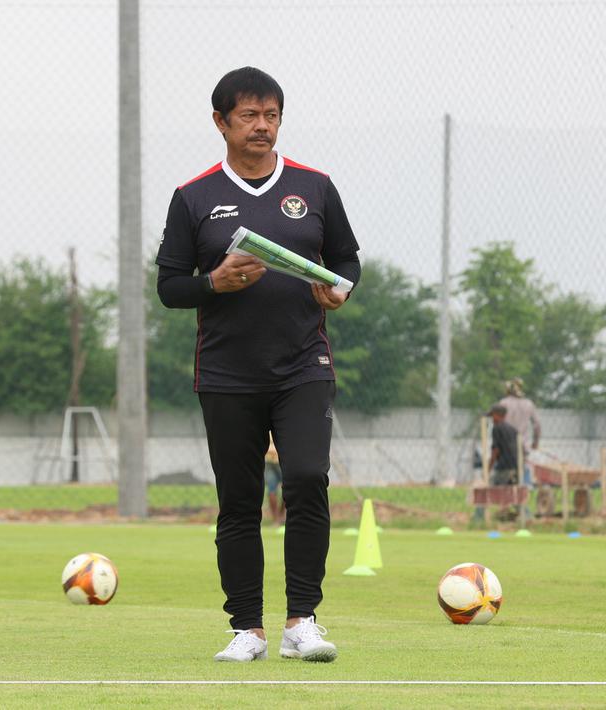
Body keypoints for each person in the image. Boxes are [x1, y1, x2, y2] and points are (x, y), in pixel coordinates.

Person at [155, 67, 361, 663]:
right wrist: (214, 282)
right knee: (239, 501)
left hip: (304, 364)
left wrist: (341, 289)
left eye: (271, 115)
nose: (261, 127)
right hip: (226, 373)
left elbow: (347, 259)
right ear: (221, 122)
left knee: (304, 479)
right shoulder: (193, 196)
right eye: (248, 116)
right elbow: (170, 287)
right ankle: (248, 628)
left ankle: (303, 622)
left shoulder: (314, 186)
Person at [472, 405, 521, 522]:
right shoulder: (512, 429)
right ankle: (526, 516)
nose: (491, 419)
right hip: (515, 466)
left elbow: (496, 450)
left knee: (485, 490)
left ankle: (477, 519)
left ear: (498, 415)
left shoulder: (497, 428)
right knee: (513, 492)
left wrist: (488, 468)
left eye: (492, 416)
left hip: (503, 467)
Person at [497, 378, 541, 483]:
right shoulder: (528, 404)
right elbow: (537, 424)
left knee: (504, 469)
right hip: (522, 442)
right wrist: (535, 442)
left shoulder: (503, 403)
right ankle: (526, 488)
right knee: (523, 465)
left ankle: (502, 487)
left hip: (506, 443)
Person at [264, 436, 285, 525]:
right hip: (270, 462)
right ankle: (276, 519)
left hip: (281, 461)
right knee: (272, 491)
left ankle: (281, 516)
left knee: (287, 489)